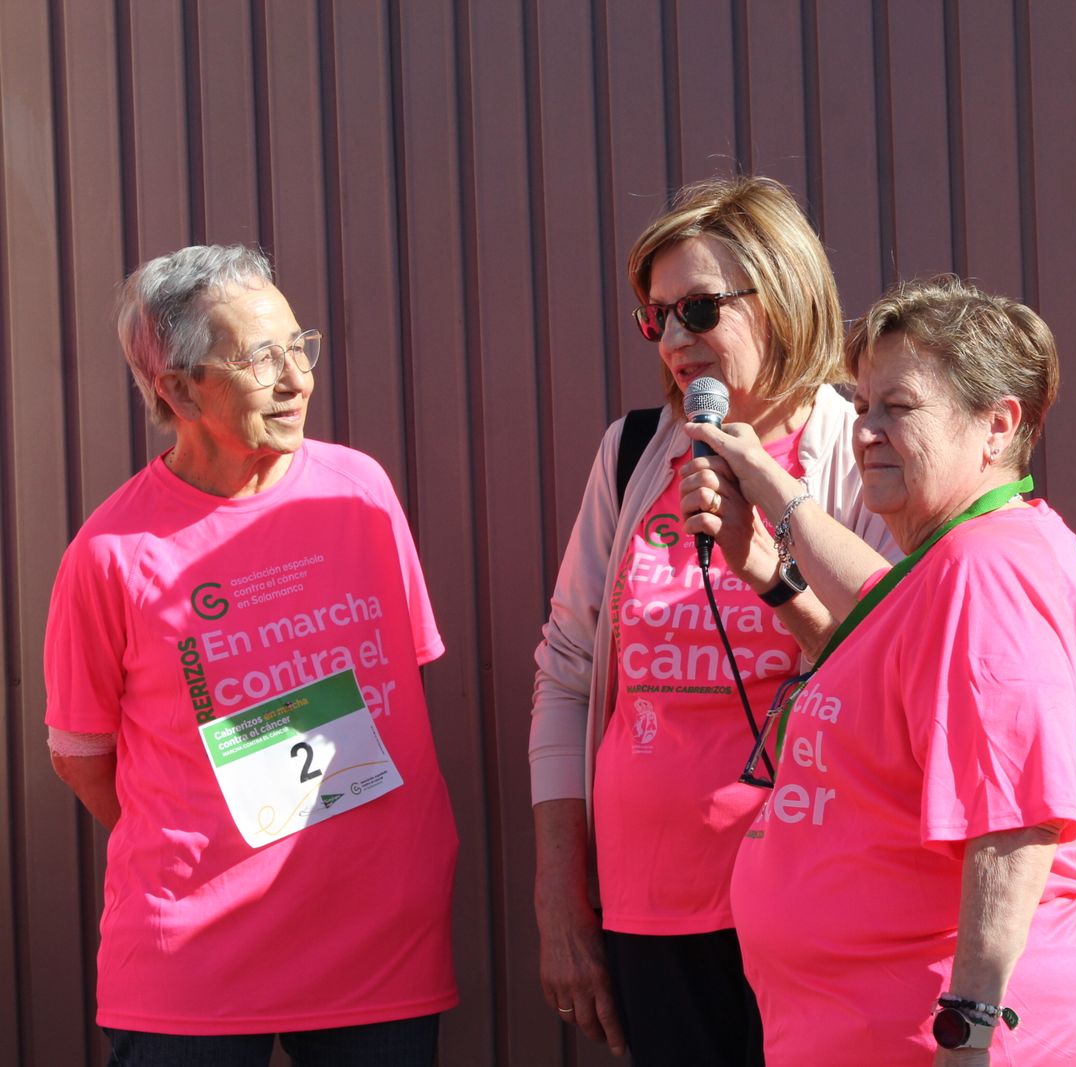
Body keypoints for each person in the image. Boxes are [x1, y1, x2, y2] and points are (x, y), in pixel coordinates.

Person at [686, 276, 1076, 1066]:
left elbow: (1016, 817)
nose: (865, 430)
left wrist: (966, 1034)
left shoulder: (986, 568)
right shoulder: (950, 561)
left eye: (896, 408)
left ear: (996, 424)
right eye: (861, 406)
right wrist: (769, 551)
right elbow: (873, 616)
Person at [43, 246, 458, 1065]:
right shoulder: (110, 552)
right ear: (178, 387)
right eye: (258, 358)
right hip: (193, 953)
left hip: (375, 943)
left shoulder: (360, 491)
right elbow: (81, 756)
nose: (295, 378)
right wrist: (204, 835)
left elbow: (400, 682)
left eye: (297, 346)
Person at [528, 175, 894, 1065]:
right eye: (655, 319)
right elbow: (568, 668)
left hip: (809, 892)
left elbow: (895, 661)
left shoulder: (860, 452)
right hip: (649, 903)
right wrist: (560, 895)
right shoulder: (632, 456)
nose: (675, 342)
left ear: (785, 297)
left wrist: (768, 570)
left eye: (698, 309)